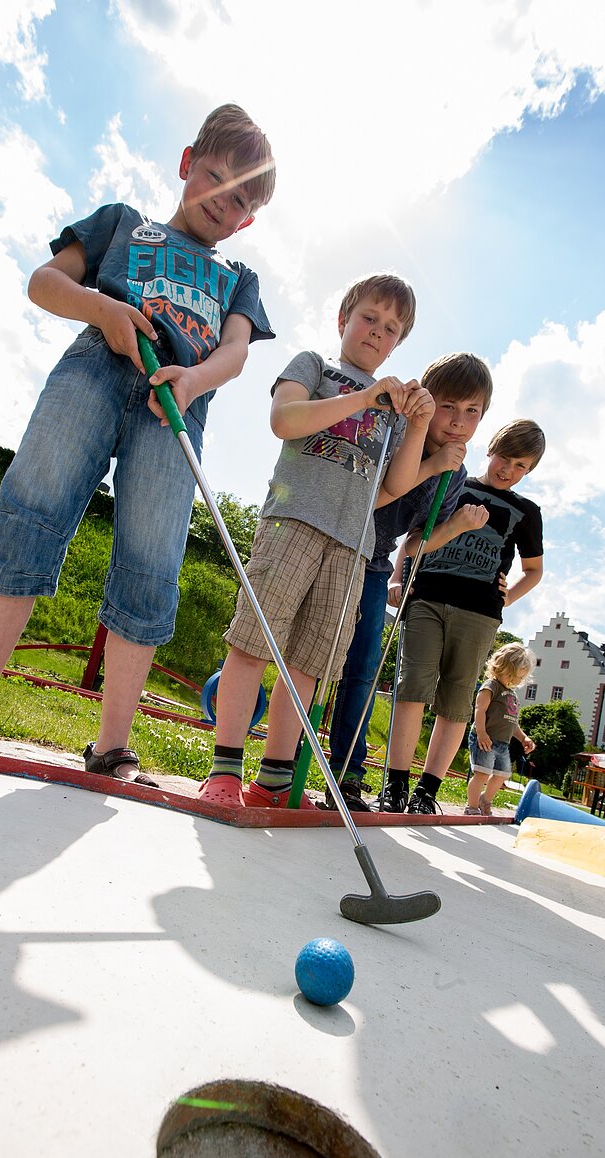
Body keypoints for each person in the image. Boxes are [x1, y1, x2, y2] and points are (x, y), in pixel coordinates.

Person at [0, 104, 276, 784]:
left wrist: (194, 379)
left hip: (177, 404)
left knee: (150, 560)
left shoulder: (239, 279)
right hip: (93, 370)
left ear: (248, 220)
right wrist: (106, 310)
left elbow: (234, 355)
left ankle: (113, 745)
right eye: (213, 177)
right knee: (33, 507)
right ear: (185, 163)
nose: (220, 201)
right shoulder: (122, 224)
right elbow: (45, 282)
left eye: (238, 199)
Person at [198, 273, 436, 807]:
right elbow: (285, 420)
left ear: (399, 342)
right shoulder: (315, 366)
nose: (377, 332)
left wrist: (416, 425)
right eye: (368, 318)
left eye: (391, 328)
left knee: (308, 662)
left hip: (353, 545)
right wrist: (365, 398)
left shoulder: (393, 411)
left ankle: (276, 778)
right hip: (295, 522)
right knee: (253, 643)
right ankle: (225, 771)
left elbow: (393, 485)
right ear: (343, 320)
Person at [324, 352, 494, 812]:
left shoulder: (455, 474)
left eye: (472, 412)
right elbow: (370, 498)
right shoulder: (397, 433)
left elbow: (416, 543)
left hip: (376, 563)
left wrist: (455, 528)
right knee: (317, 660)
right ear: (427, 400)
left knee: (362, 669)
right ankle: (287, 759)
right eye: (449, 407)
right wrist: (431, 462)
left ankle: (347, 776)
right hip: (337, 543)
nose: (458, 422)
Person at [374, 417, 546, 813]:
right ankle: (396, 785)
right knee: (412, 684)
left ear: (530, 470)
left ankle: (426, 792)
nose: (508, 470)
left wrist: (506, 599)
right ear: (491, 449)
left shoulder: (526, 511)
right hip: (427, 597)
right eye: (505, 458)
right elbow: (415, 536)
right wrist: (398, 578)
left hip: (480, 612)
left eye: (521, 466)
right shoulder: (457, 482)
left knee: (454, 699)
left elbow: (534, 571)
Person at [464, 643, 537, 815]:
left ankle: (484, 800)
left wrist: (524, 738)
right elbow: (479, 710)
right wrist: (481, 733)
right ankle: (472, 807)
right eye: (513, 676)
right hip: (485, 739)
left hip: (502, 744)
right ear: (502, 666)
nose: (516, 681)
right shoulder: (492, 686)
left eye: (519, 679)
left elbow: (512, 722)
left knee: (502, 775)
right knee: (481, 774)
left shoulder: (511, 694)